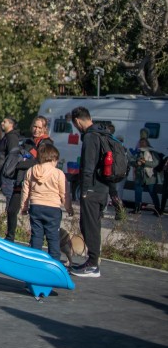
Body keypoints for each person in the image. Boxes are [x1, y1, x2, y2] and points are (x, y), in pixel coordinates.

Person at [69, 106, 110, 278]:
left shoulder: (90, 137)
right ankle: (92, 261)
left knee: (89, 225)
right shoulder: (103, 134)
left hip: (92, 189)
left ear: (78, 121)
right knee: (93, 225)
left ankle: (93, 264)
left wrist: (84, 190)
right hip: (102, 188)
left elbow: (88, 166)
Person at [5, 116, 54, 241]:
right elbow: (18, 156)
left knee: (35, 215)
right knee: (11, 210)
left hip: (37, 183)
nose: (36, 129)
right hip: (21, 180)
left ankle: (35, 242)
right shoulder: (27, 142)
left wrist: (21, 164)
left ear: (44, 129)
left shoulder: (47, 143)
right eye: (34, 126)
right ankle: (10, 237)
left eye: (39, 127)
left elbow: (40, 162)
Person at [20, 142, 71, 260]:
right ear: (53, 158)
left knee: (36, 235)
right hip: (53, 209)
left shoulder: (31, 171)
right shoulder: (58, 173)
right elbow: (64, 193)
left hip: (36, 207)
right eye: (56, 160)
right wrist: (68, 207)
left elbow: (25, 191)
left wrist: (24, 207)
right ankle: (54, 262)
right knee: (53, 236)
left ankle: (34, 260)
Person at [0, 116, 22, 237]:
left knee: (10, 205)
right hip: (4, 172)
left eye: (4, 121)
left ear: (11, 124)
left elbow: (13, 156)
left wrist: (7, 170)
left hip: (8, 174)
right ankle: (8, 233)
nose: (2, 123)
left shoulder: (12, 137)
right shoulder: (7, 136)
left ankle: (10, 235)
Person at [132, 138, 161, 215]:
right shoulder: (138, 152)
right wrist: (136, 162)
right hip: (139, 177)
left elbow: (155, 163)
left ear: (147, 143)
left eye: (143, 142)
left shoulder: (152, 152)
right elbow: (131, 161)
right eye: (140, 142)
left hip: (150, 177)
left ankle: (158, 211)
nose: (141, 144)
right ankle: (137, 209)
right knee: (138, 194)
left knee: (153, 194)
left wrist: (145, 162)